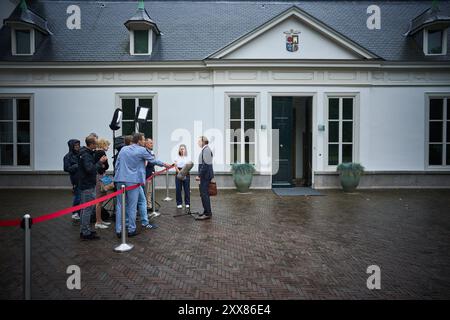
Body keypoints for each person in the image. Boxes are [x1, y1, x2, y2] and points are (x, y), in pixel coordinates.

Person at [114, 133, 170, 238]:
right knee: (132, 206)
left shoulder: (123, 149)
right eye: (143, 140)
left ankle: (119, 230)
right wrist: (165, 164)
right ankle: (131, 229)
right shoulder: (141, 150)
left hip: (120, 180)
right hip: (133, 181)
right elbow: (153, 160)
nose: (144, 142)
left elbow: (117, 164)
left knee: (120, 205)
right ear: (139, 140)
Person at [78, 135, 107, 240]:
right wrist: (100, 162)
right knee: (87, 209)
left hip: (86, 184)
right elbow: (90, 169)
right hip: (87, 185)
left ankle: (85, 230)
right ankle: (85, 233)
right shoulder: (86, 155)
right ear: (91, 144)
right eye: (96, 143)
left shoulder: (86, 153)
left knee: (85, 209)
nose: (97, 144)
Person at [144, 138, 166, 215]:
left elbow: (153, 162)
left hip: (151, 174)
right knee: (147, 191)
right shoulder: (145, 152)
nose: (152, 144)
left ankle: (149, 205)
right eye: (150, 143)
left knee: (150, 191)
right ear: (146, 144)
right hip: (147, 176)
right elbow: (149, 163)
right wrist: (163, 164)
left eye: (152, 143)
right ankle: (147, 207)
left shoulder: (151, 152)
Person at [195, 136, 214, 220]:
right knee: (204, 194)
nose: (198, 143)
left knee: (204, 194)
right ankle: (206, 211)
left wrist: (199, 175)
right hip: (205, 175)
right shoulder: (205, 149)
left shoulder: (206, 150)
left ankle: (207, 213)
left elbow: (205, 165)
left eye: (199, 141)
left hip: (205, 176)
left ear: (203, 142)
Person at [94, 138, 111, 229]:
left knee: (100, 199)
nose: (108, 147)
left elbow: (104, 166)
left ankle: (100, 220)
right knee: (99, 200)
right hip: (100, 177)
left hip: (100, 176)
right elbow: (105, 166)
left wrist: (103, 166)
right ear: (103, 144)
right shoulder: (101, 153)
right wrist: (104, 165)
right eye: (107, 145)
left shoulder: (95, 153)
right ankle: (98, 221)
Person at [63, 139, 81, 221]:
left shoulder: (80, 154)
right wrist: (76, 166)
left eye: (78, 145)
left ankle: (79, 212)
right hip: (75, 178)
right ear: (71, 146)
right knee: (78, 196)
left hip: (83, 178)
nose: (77, 147)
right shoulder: (67, 156)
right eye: (75, 145)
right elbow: (66, 168)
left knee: (82, 196)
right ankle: (74, 213)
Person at [174, 144, 191, 209]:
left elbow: (189, 166)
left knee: (187, 189)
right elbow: (175, 166)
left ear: (185, 150)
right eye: (181, 149)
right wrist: (180, 173)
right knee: (178, 189)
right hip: (178, 173)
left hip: (186, 172)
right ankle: (179, 203)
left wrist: (184, 173)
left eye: (183, 149)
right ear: (179, 150)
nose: (182, 150)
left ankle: (187, 203)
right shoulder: (176, 157)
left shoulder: (188, 157)